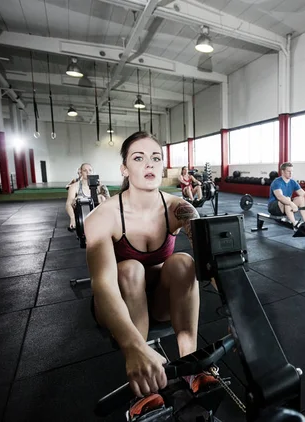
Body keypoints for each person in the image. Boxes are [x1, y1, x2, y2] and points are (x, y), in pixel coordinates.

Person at [84, 132, 217, 398]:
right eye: (138, 158)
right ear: (125, 168)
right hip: (116, 301)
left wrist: (239, 311)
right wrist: (134, 348)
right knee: (130, 269)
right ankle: (143, 376)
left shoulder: (180, 209)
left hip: (158, 301)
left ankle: (190, 362)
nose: (149, 164)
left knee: (183, 262)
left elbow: (212, 261)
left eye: (155, 158)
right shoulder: (103, 217)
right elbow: (104, 285)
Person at [268, 162, 305, 229]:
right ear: (282, 171)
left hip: (286, 206)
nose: (291, 173)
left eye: (292, 171)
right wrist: (291, 204)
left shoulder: (293, 182)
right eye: (288, 171)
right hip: (274, 207)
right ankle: (294, 223)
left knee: (301, 198)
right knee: (287, 199)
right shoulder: (276, 182)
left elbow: (303, 194)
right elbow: (279, 197)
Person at [66, 163, 110, 230]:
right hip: (82, 214)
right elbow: (68, 204)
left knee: (102, 198)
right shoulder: (75, 186)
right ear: (81, 172)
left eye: (90, 170)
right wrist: (72, 218)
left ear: (93, 172)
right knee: (76, 200)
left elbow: (109, 201)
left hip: (98, 215)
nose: (88, 172)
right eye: (85, 170)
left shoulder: (100, 186)